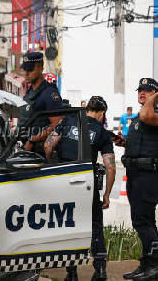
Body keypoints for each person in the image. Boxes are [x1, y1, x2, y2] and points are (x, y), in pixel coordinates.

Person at [44, 96, 116, 281]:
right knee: (95, 227)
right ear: (101, 113)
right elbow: (110, 166)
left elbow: (48, 145)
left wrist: (56, 166)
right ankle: (100, 271)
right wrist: (107, 194)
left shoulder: (68, 121)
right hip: (86, 183)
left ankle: (72, 273)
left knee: (68, 225)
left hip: (65, 179)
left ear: (87, 109)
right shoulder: (101, 131)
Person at [120, 78, 158, 281]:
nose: (142, 93)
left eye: (147, 90)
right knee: (145, 221)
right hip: (135, 174)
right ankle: (147, 264)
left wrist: (155, 98)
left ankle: (154, 265)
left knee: (142, 221)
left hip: (147, 175)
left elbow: (147, 115)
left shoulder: (152, 113)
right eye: (140, 90)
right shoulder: (139, 116)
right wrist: (123, 143)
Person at [16, 52, 64, 155]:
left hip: (39, 153)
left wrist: (33, 140)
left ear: (41, 68)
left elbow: (58, 124)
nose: (26, 73)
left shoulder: (49, 93)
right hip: (24, 149)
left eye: (30, 70)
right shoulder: (30, 91)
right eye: (25, 69)